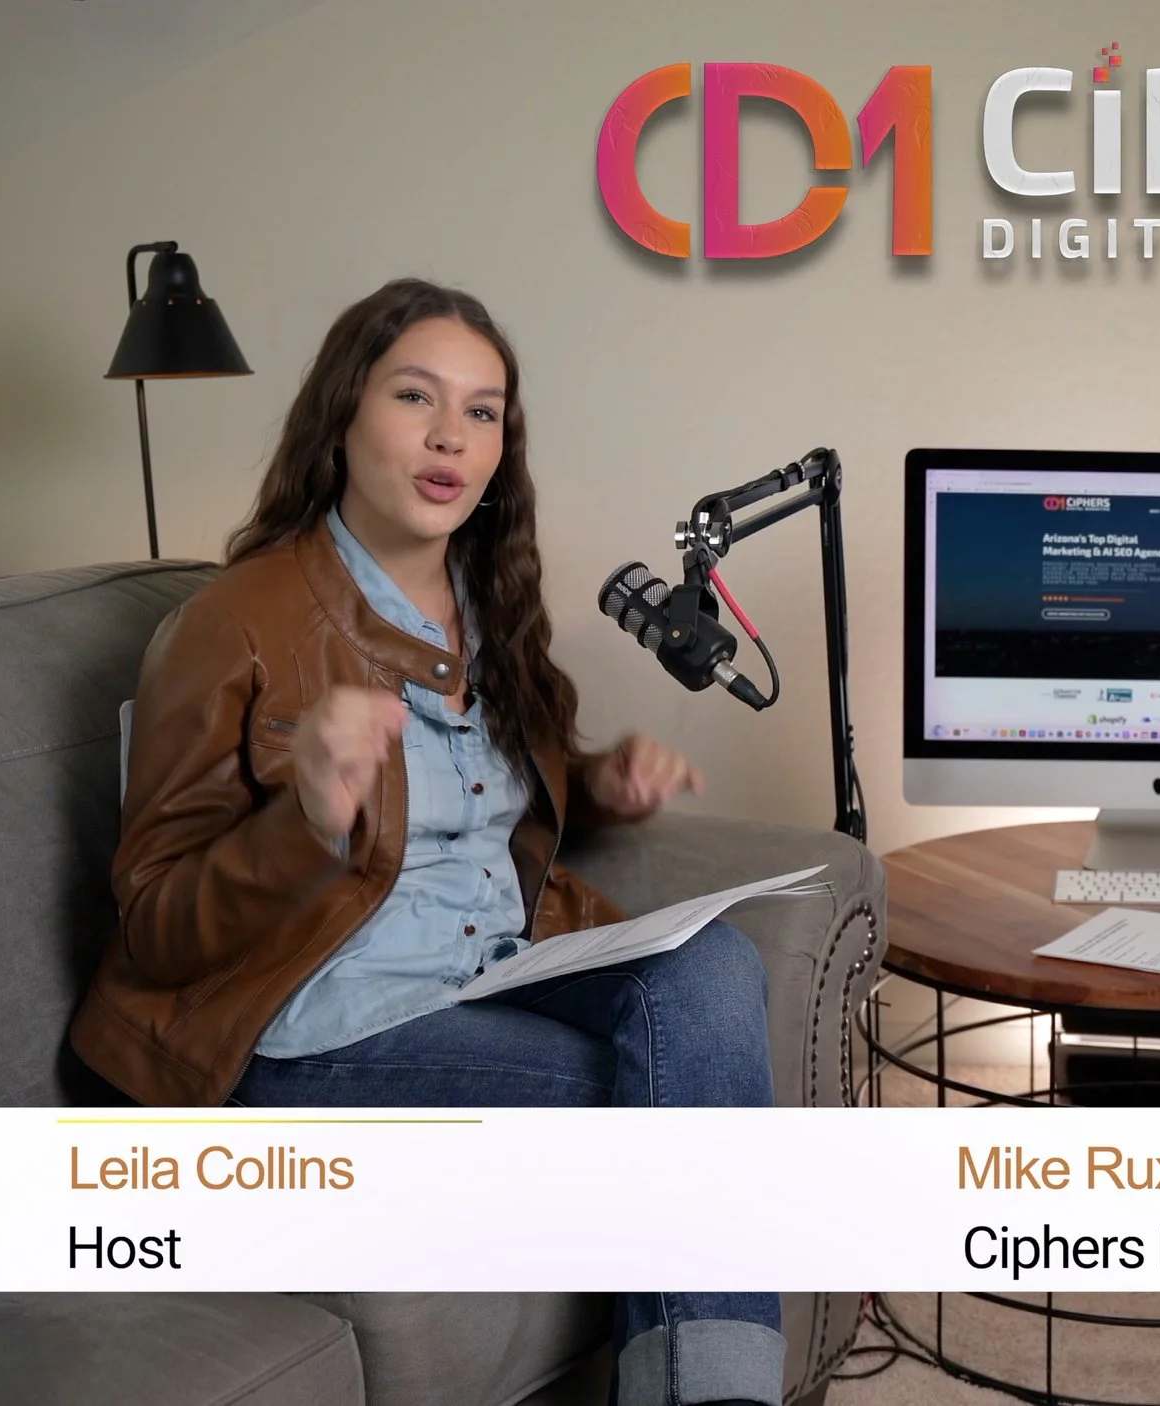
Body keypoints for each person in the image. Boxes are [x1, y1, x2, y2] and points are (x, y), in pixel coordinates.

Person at [70, 279, 786, 1406]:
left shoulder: (485, 599)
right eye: (416, 397)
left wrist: (602, 782)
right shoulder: (233, 620)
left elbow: (480, 796)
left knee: (715, 971)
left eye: (484, 410)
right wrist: (305, 819)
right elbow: (157, 927)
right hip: (304, 1031)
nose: (453, 434)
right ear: (344, 414)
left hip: (490, 977)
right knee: (673, 1096)